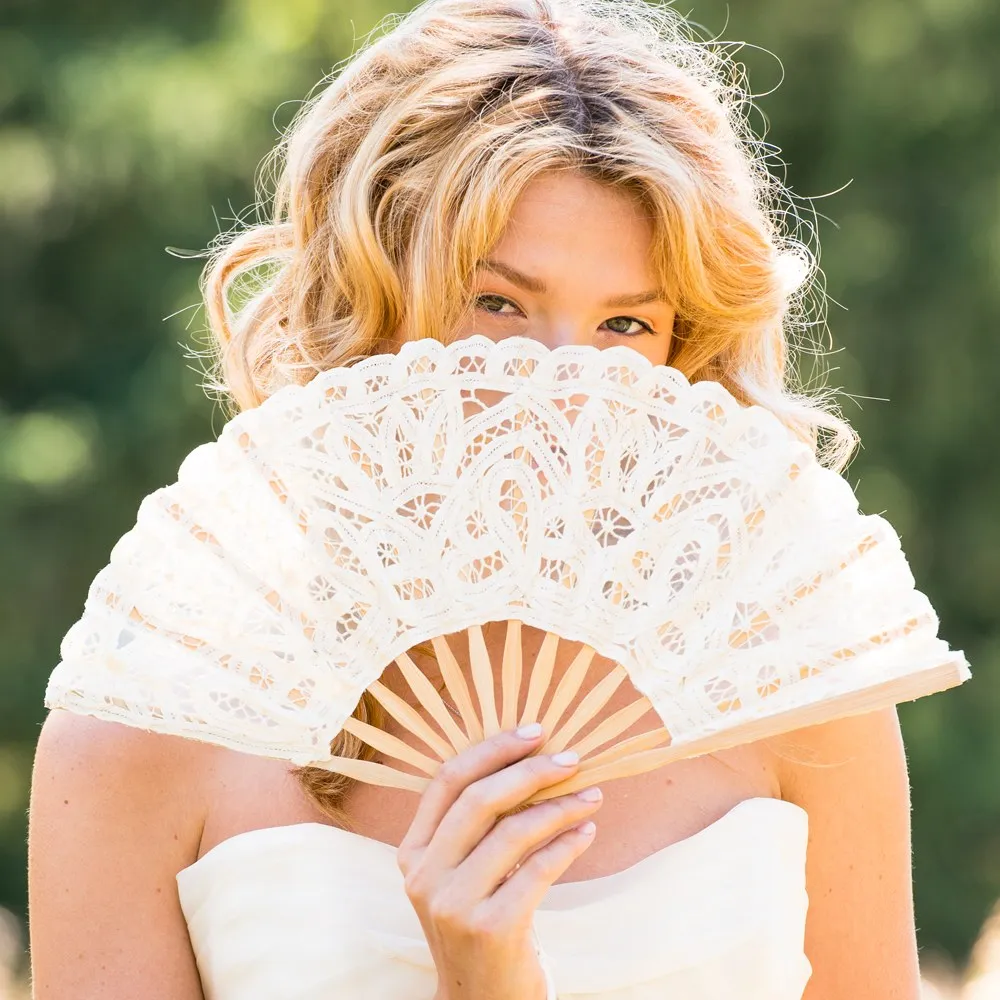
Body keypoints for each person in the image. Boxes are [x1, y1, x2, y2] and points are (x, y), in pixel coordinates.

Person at [27, 0, 922, 997]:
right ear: (363, 301)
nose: (562, 386)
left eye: (625, 323)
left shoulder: (794, 695)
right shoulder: (144, 737)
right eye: (496, 302)